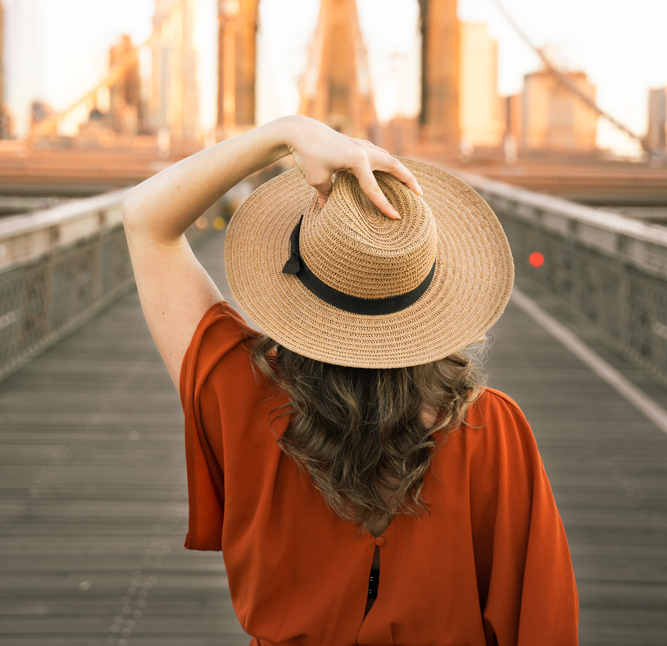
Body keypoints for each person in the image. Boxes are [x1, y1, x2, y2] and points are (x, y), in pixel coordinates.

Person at [122, 115, 579, 646]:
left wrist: (285, 133)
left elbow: (144, 218)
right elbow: (543, 624)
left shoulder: (241, 390)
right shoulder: (489, 428)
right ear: (430, 290)